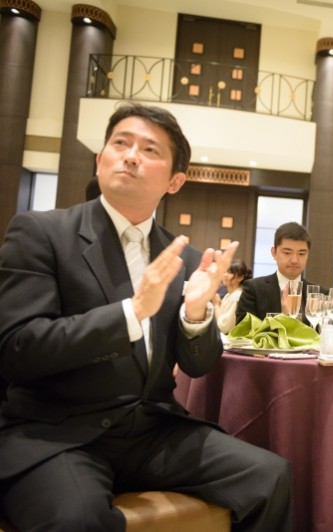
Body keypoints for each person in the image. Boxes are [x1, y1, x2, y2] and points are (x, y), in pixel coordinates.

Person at [0, 103, 291, 531]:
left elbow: (197, 364)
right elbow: (16, 350)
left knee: (271, 476)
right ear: (100, 158)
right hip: (59, 433)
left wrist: (196, 314)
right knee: (77, 518)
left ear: (175, 181)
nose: (131, 155)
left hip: (152, 431)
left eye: (150, 149)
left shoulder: (183, 257)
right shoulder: (41, 232)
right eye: (120, 143)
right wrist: (131, 312)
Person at [236, 221, 322, 324]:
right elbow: (243, 330)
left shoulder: (319, 294)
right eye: (287, 253)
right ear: (274, 252)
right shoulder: (254, 289)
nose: (294, 260)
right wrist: (282, 319)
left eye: (301, 254)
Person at [213, 259, 252, 333]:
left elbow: (224, 327)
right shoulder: (229, 295)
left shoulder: (237, 296)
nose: (225, 275)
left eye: (230, 272)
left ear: (240, 277)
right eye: (224, 271)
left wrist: (216, 305)